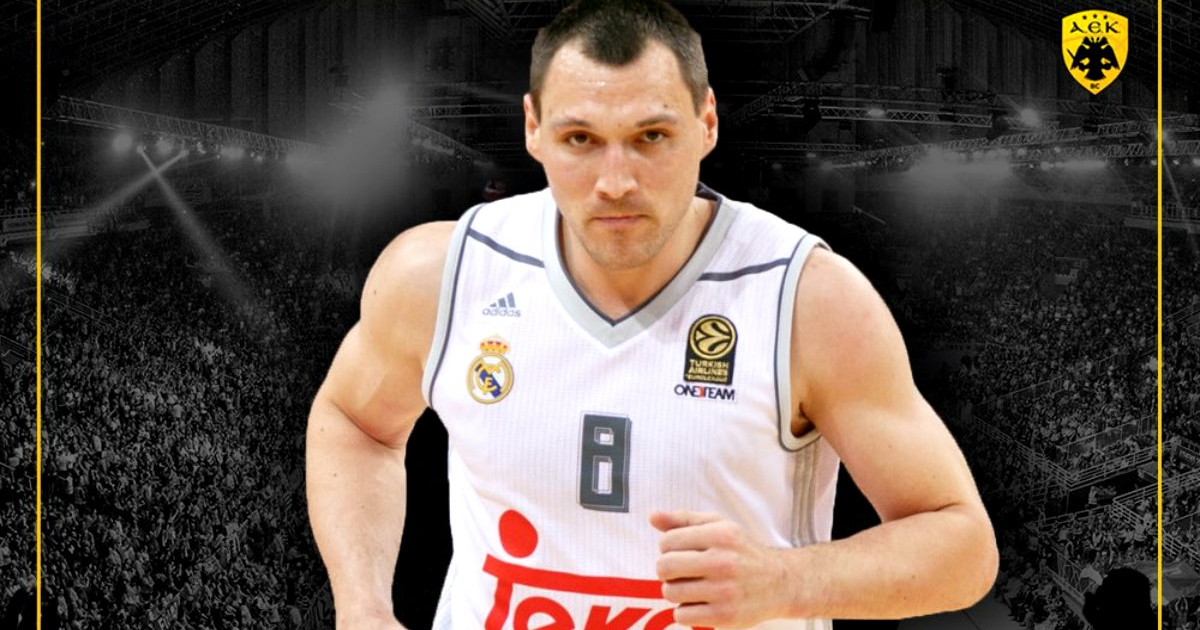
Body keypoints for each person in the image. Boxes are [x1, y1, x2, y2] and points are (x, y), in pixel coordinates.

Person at [306, 1, 998, 628]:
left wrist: (789, 581)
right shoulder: (442, 274)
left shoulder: (806, 299)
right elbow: (355, 423)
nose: (616, 182)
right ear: (534, 129)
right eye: (581, 139)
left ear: (707, 123)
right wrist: (363, 610)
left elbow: (962, 544)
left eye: (651, 136)